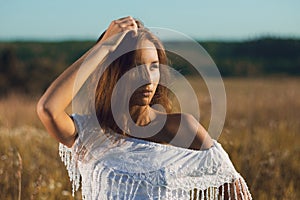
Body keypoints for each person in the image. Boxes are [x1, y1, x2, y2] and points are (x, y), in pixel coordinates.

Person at [37, 16, 252, 199]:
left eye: (154, 66)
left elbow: (233, 188)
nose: (148, 78)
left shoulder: (180, 127)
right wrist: (104, 45)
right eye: (135, 67)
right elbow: (48, 108)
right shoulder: (88, 132)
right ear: (112, 72)